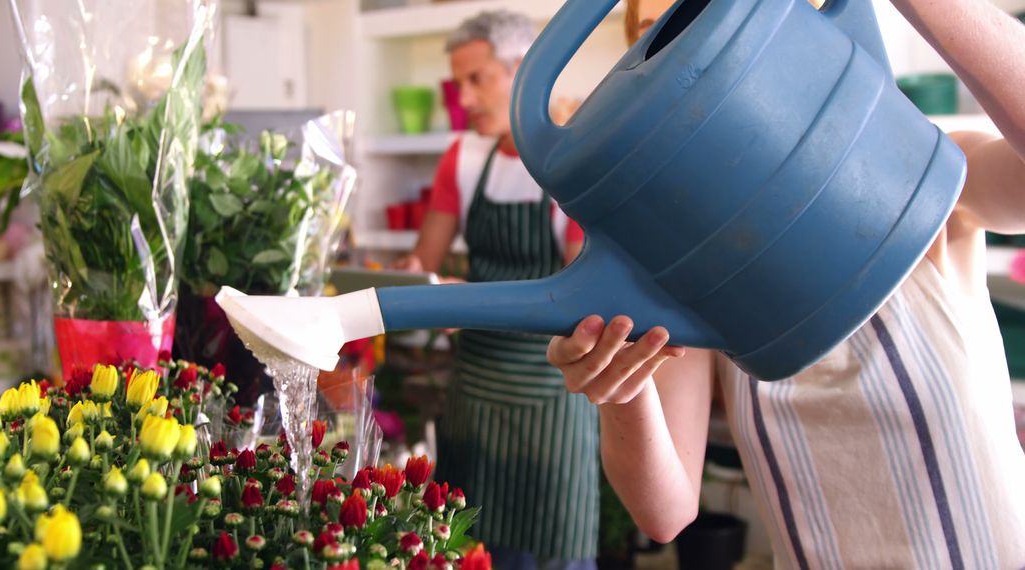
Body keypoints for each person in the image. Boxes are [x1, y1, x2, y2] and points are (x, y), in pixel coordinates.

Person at [547, 0, 1025, 567]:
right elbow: (666, 513)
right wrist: (622, 390)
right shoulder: (689, 268)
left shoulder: (915, 166)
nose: (690, 68)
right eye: (663, 43)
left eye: (704, 23)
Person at [394, 10, 598, 570]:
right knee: (470, 550)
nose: (463, 97)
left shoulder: (568, 163)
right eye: (458, 83)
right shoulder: (462, 159)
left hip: (554, 395)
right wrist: (414, 277)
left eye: (476, 79)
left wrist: (470, 302)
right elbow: (424, 260)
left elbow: (582, 300)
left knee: (556, 554)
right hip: (474, 396)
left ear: (524, 71)